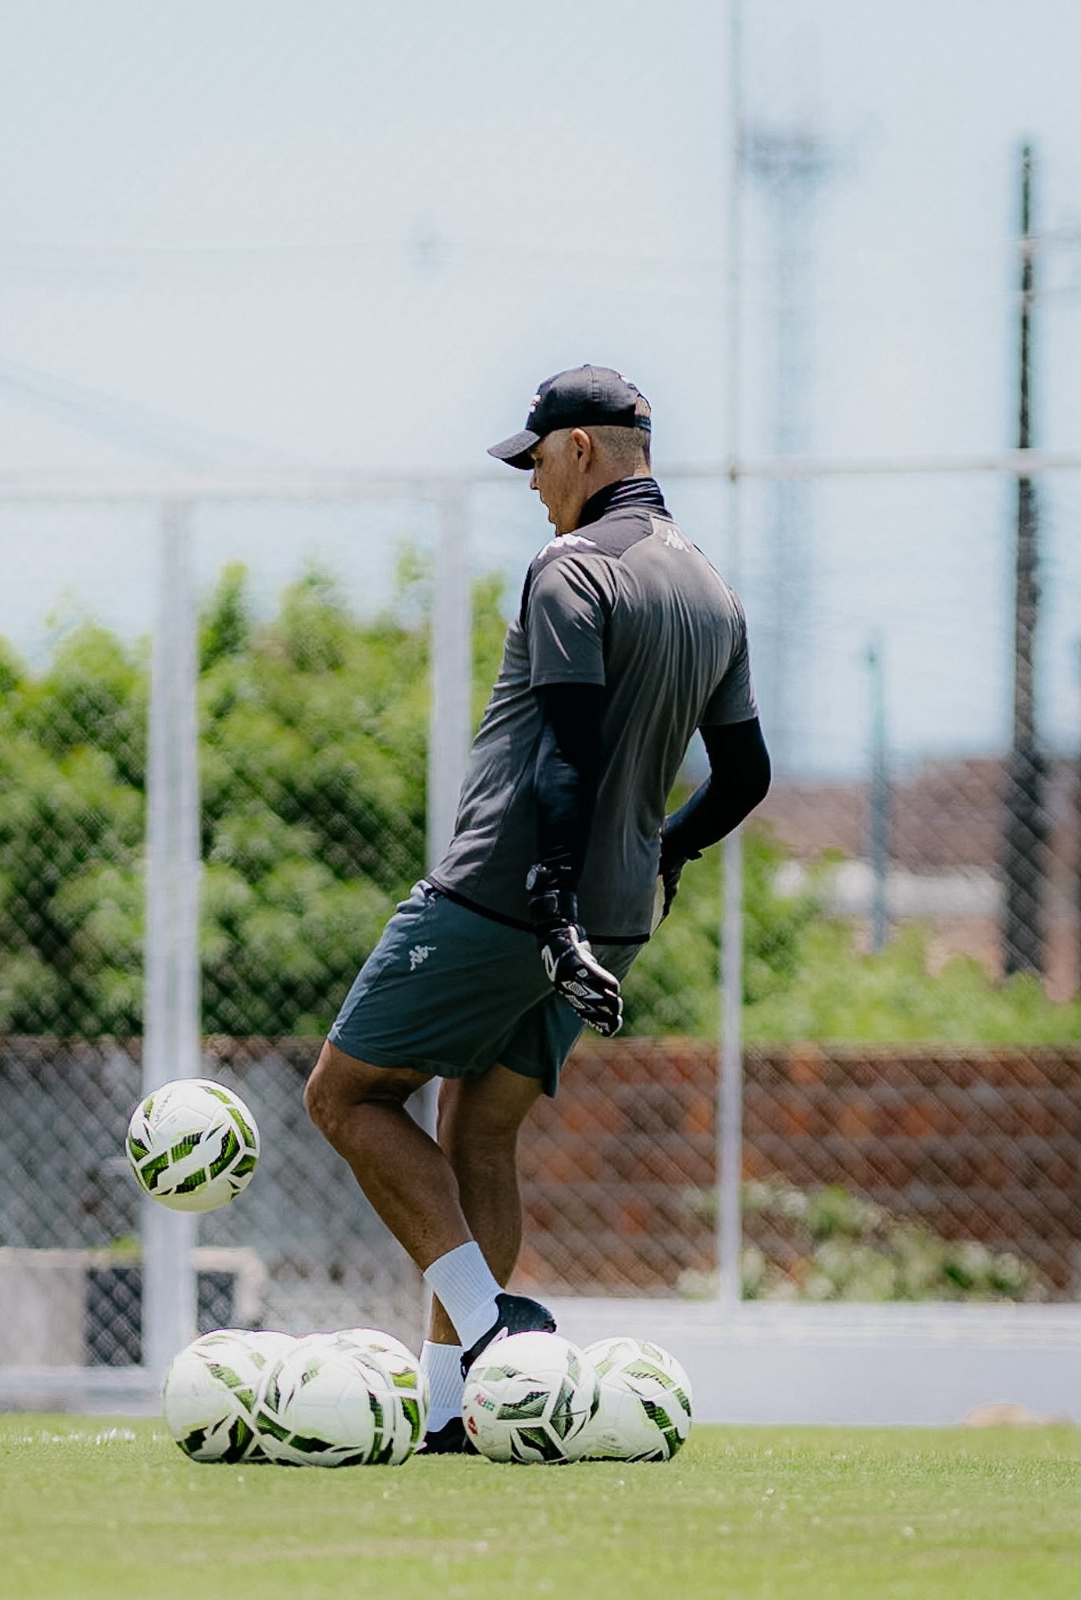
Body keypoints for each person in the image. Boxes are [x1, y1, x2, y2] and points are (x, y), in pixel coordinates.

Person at [305, 364, 771, 1452]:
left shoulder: (570, 570)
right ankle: (445, 1410)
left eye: (535, 462)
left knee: (346, 1097)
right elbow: (744, 777)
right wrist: (662, 858)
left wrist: (550, 904)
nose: (529, 487)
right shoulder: (712, 589)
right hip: (611, 923)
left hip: (507, 901)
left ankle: (490, 1337)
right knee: (481, 1131)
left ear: (580, 450)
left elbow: (566, 757)